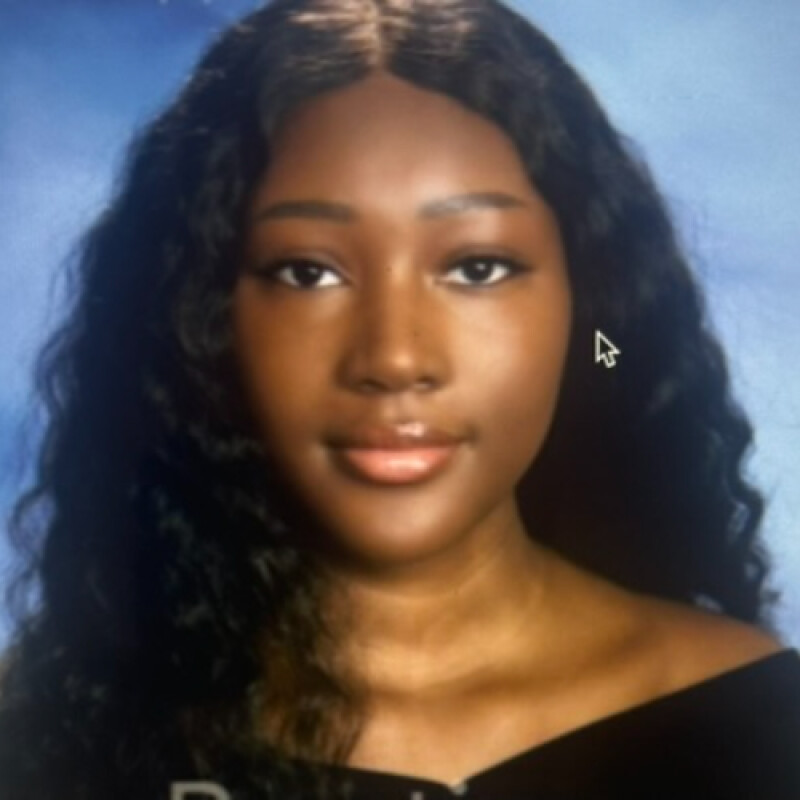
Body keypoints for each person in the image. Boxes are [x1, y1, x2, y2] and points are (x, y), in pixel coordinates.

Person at [1, 1, 798, 798]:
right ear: (203, 321)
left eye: (477, 268)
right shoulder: (46, 730)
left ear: (584, 314)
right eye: (308, 272)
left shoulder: (758, 719)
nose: (393, 358)